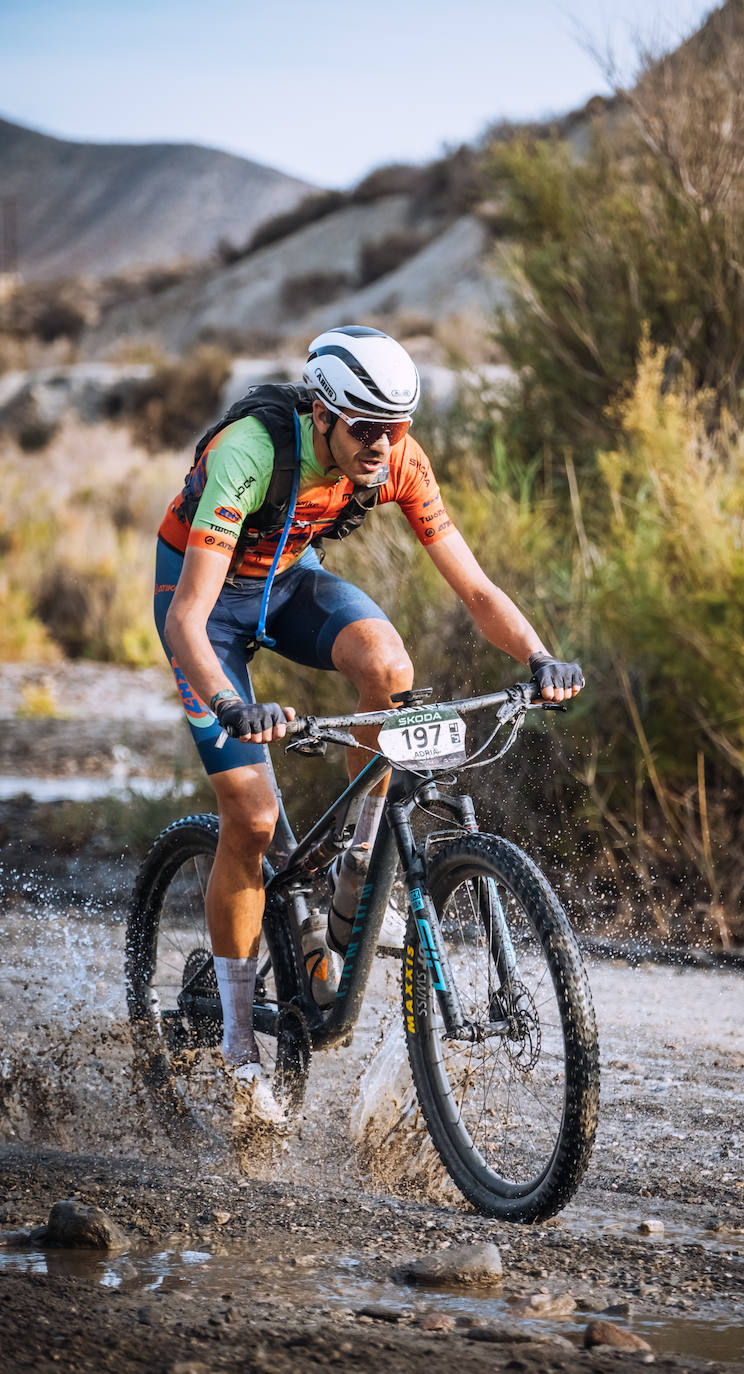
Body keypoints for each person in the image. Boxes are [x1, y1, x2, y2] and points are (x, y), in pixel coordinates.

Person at [154, 325, 583, 1122]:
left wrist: (538, 656)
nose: (383, 448)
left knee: (390, 671)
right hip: (202, 606)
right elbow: (186, 621)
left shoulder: (396, 459)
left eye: (398, 429)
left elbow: (476, 588)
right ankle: (241, 1054)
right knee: (250, 816)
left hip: (286, 582)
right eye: (365, 430)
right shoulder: (250, 453)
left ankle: (356, 871)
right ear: (321, 414)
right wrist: (230, 705)